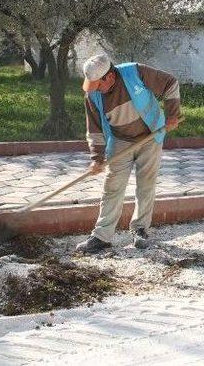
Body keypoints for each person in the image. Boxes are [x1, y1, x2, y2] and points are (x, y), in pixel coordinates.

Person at [75, 54, 181, 254]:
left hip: (151, 135)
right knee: (112, 187)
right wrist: (97, 158)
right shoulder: (92, 95)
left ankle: (140, 230)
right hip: (120, 141)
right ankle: (101, 237)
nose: (95, 89)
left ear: (110, 77)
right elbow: (95, 129)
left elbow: (170, 83)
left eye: (98, 84)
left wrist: (172, 114)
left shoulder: (136, 72)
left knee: (146, 184)